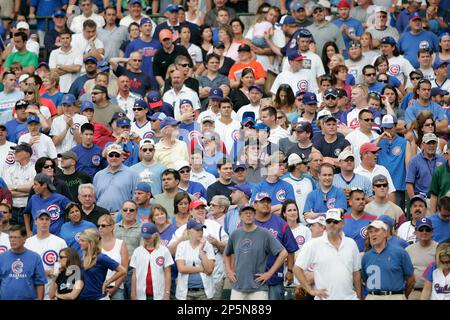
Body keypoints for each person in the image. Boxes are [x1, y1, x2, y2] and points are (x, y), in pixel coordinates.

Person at [294, 208, 362, 300]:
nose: (331, 224)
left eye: (335, 221)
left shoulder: (351, 243)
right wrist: (311, 291)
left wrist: (358, 297)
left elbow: (356, 274)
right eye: (329, 221)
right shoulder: (313, 245)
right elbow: (297, 268)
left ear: (342, 223)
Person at [224, 205, 288, 300]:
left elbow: (283, 253)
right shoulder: (235, 234)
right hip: (238, 287)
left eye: (251, 213)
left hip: (258, 288)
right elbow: (226, 253)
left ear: (255, 215)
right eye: (246, 213)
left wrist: (269, 273)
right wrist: (229, 271)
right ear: (240, 216)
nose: (248, 215)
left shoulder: (264, 233)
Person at [362, 219, 415, 300]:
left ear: (385, 233)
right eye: (371, 232)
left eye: (376, 231)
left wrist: (402, 296)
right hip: (372, 296)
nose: (373, 234)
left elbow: (411, 279)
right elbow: (366, 280)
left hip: (394, 296)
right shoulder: (366, 256)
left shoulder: (399, 252)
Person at [24, 209, 68, 299]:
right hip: (32, 290)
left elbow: (66, 263)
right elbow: (24, 265)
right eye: (41, 219)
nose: (44, 222)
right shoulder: (28, 242)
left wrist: (55, 270)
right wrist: (43, 272)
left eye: (47, 219)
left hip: (52, 289)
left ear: (50, 222)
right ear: (35, 221)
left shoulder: (59, 242)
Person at [78, 228, 126, 300]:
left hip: (98, 297)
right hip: (83, 297)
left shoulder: (101, 257)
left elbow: (122, 270)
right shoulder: (83, 257)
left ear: (90, 242)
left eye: (82, 240)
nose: (79, 242)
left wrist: (107, 282)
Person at [0, 225, 46, 300]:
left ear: (24, 238)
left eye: (16, 237)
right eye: (10, 237)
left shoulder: (35, 257)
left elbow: (40, 283)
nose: (12, 240)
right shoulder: (2, 257)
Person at [130, 222, 173, 300]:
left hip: (159, 295)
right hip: (141, 295)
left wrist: (167, 293)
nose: (146, 239)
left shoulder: (164, 250)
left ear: (155, 235)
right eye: (144, 237)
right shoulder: (137, 251)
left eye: (149, 237)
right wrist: (133, 293)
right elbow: (134, 275)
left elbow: (168, 273)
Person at [174, 219, 216, 300]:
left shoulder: (207, 245)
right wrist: (202, 269)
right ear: (189, 231)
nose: (200, 232)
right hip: (185, 292)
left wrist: (201, 251)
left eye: (201, 229)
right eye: (197, 230)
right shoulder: (182, 246)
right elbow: (181, 268)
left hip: (204, 292)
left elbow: (210, 269)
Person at [93, 143, 139, 214]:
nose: (114, 158)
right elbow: (94, 198)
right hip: (101, 216)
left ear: (122, 157)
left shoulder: (132, 174)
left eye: (117, 155)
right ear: (107, 157)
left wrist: (124, 212)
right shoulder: (98, 175)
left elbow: (136, 197)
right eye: (111, 155)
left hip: (123, 216)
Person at [23, 173, 71, 237]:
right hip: (37, 238)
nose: (33, 187)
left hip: (55, 239)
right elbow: (26, 213)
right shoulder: (33, 198)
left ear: (44, 185)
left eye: (35, 184)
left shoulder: (61, 199)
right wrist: (28, 231)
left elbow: (73, 211)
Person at [406, 133, 446, 201]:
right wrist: (414, 201)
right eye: (428, 143)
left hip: (440, 199)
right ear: (423, 144)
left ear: (437, 145)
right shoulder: (414, 161)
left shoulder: (442, 160)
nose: (431, 146)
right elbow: (409, 184)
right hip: (422, 199)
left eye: (434, 143)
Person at [405, 217, 438, 300]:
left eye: (427, 229)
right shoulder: (408, 250)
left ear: (432, 232)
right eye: (421, 229)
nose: (424, 232)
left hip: (434, 292)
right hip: (415, 291)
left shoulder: (439, 248)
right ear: (415, 232)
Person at [98, 214, 129, 300]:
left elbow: (124, 268)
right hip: (98, 288)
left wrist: (115, 288)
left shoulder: (120, 244)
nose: (100, 227)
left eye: (103, 225)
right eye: (99, 225)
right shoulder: (95, 244)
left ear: (112, 226)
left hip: (117, 288)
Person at [282, 154, 315, 222]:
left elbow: (316, 197)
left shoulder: (309, 179)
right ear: (296, 165)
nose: (307, 165)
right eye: (304, 163)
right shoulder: (284, 181)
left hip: (309, 222)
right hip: (291, 223)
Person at [48, 29, 83, 94]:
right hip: (58, 89)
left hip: (74, 88)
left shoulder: (78, 51)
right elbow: (53, 72)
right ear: (60, 39)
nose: (65, 40)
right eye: (63, 38)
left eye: (67, 38)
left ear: (71, 39)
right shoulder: (54, 53)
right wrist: (71, 68)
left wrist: (60, 66)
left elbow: (77, 68)